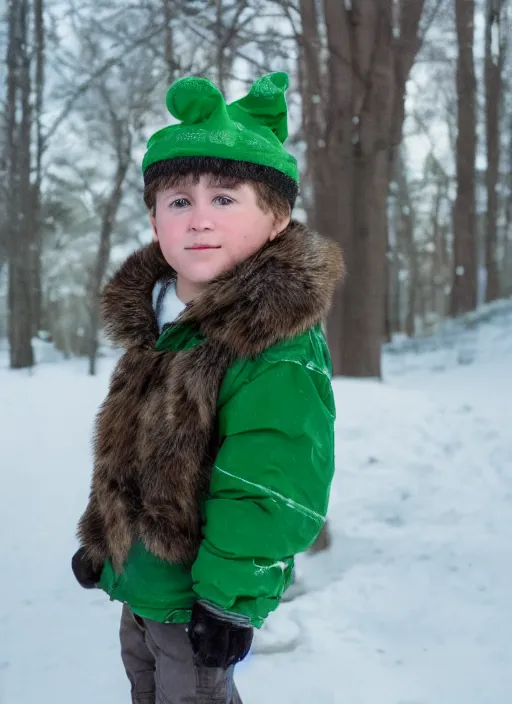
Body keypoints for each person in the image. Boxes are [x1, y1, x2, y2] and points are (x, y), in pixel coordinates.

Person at [72, 71, 344, 704]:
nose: (198, 220)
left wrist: (228, 597)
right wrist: (101, 538)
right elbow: (127, 450)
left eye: (225, 199)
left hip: (199, 596)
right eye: (178, 202)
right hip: (145, 585)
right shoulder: (161, 324)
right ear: (154, 219)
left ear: (275, 219)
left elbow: (271, 482)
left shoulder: (273, 346)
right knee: (144, 685)